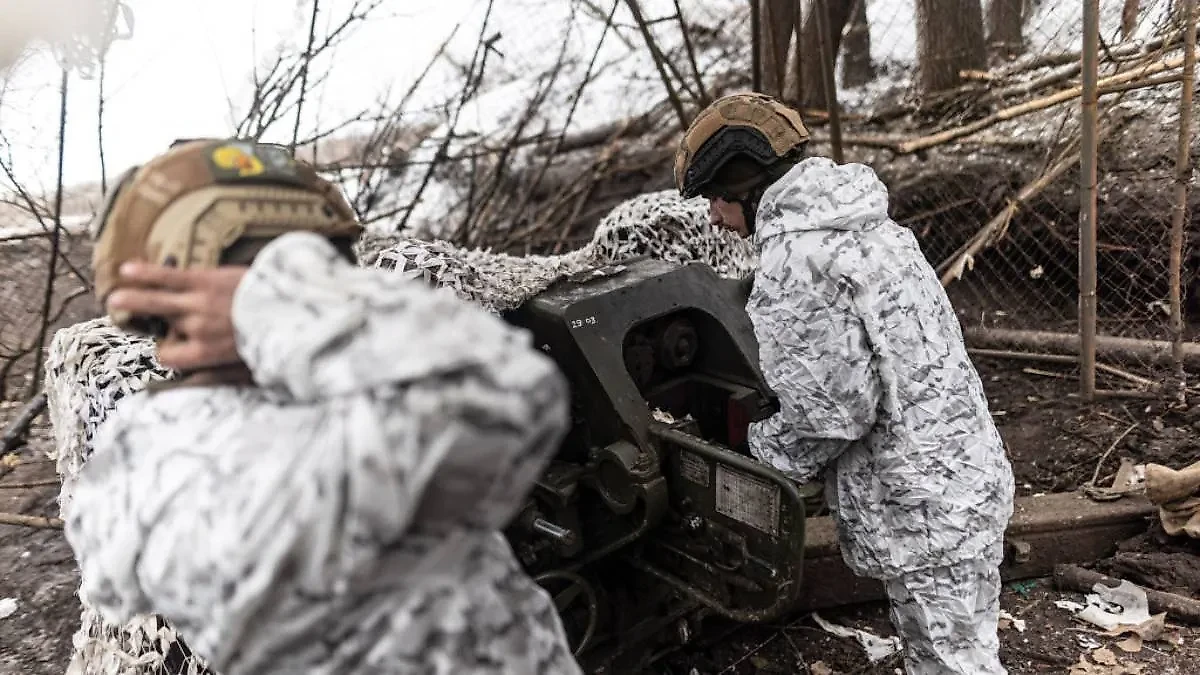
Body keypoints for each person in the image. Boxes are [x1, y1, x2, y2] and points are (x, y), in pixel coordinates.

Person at [61, 138, 583, 675]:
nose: (342, 278)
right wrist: (270, 298)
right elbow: (506, 395)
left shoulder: (154, 446)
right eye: (312, 264)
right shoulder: (234, 459)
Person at [673, 92, 1016, 675]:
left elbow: (831, 414)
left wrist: (750, 454)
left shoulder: (798, 257)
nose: (713, 218)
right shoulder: (864, 223)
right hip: (960, 474)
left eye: (715, 199)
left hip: (918, 501)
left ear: (744, 185)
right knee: (957, 642)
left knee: (952, 661)